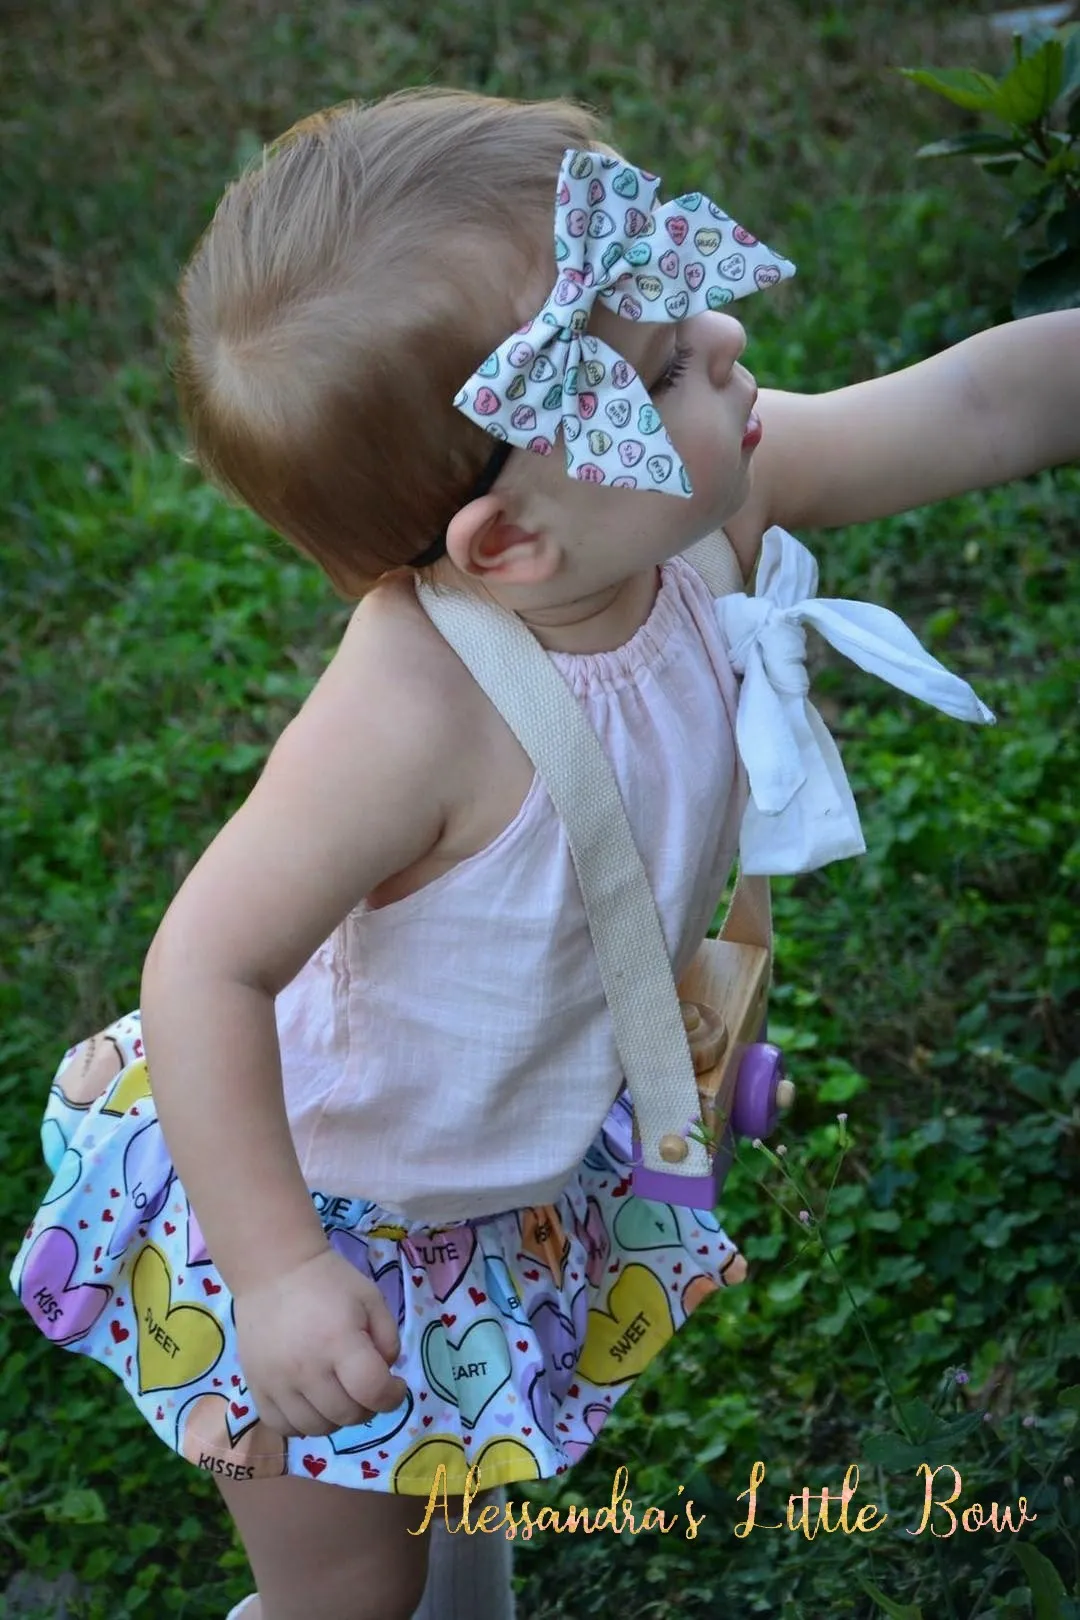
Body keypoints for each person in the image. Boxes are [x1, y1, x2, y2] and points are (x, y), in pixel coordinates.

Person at [10, 84, 1079, 1620]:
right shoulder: (412, 711)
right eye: (661, 363)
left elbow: (977, 407)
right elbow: (207, 963)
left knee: (461, 1495)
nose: (722, 341)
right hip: (332, 1197)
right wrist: (278, 1271)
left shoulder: (701, 499)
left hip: (502, 1163)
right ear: (510, 546)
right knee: (346, 1601)